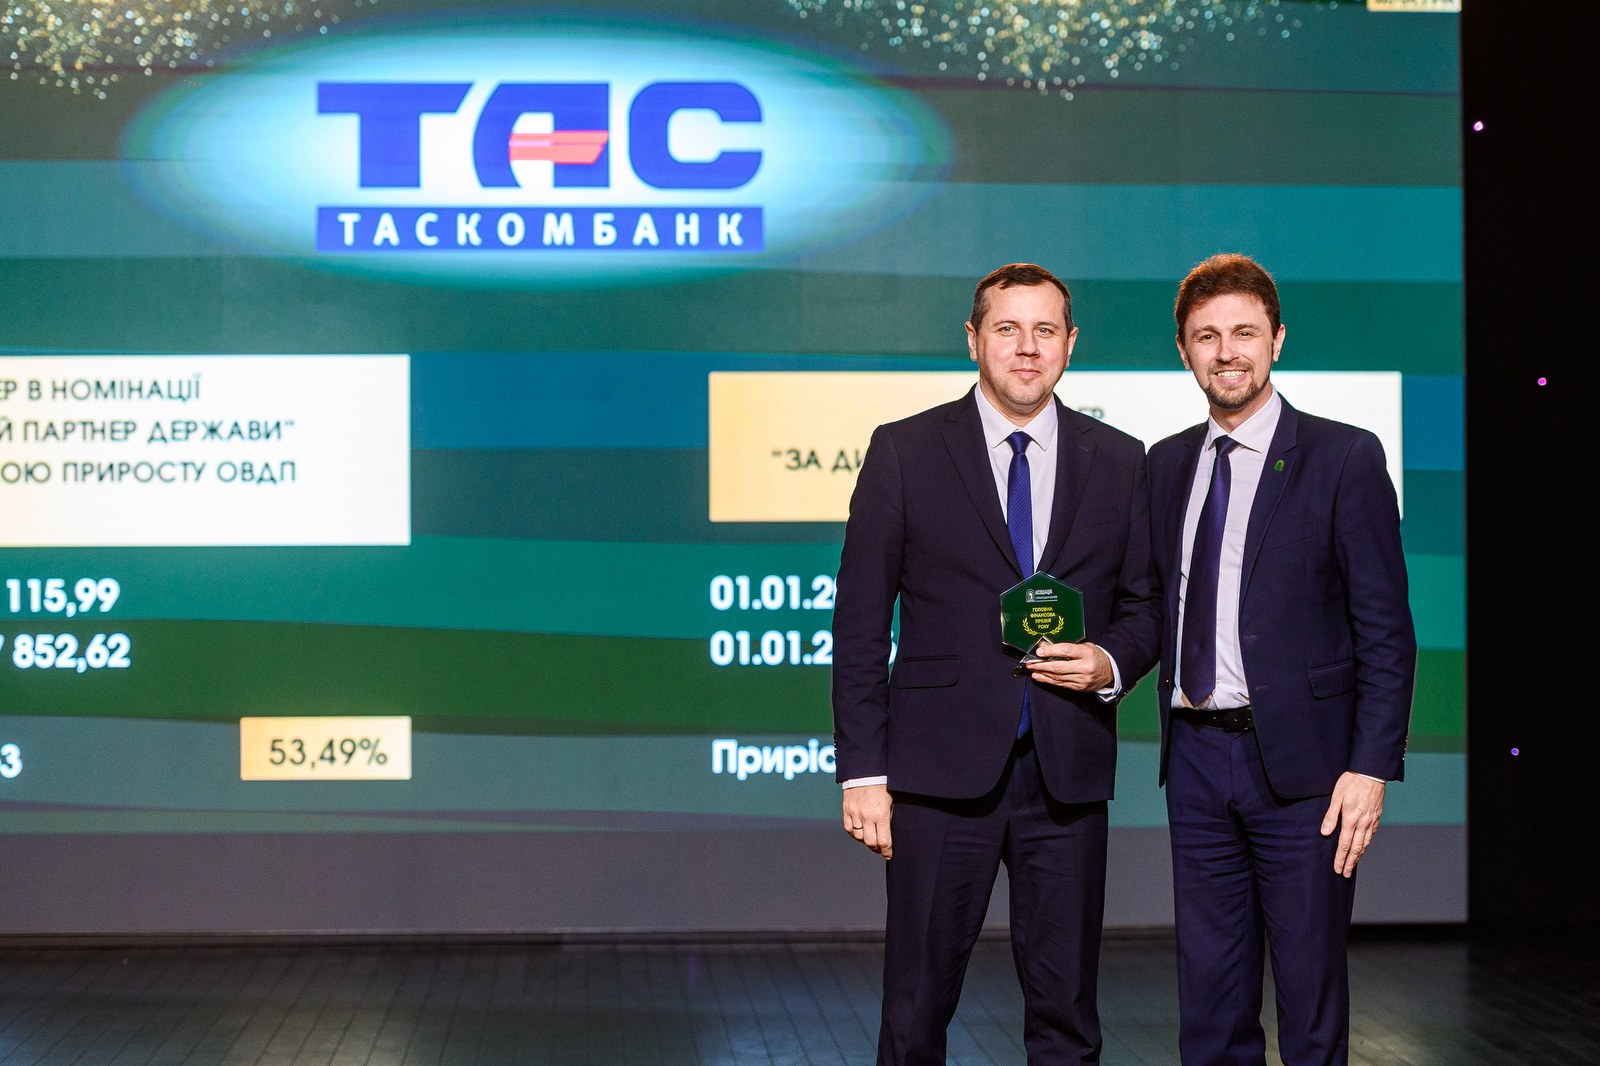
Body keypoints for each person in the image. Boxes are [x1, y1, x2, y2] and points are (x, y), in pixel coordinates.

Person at [832, 263, 1161, 1064]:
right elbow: (861, 624)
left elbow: (1147, 607)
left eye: (1045, 330)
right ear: (973, 339)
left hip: (1067, 773)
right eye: (1007, 329)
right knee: (915, 1013)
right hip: (936, 779)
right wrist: (863, 773)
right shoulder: (905, 451)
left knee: (1068, 1018)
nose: (1027, 347)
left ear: (1070, 344)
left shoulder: (1121, 460)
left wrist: (1109, 661)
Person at [1147, 254, 1415, 1065]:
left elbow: (1386, 631)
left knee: (1309, 1000)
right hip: (1195, 761)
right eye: (1206, 337)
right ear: (1184, 351)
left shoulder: (1344, 457)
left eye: (1244, 333)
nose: (1226, 352)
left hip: (1310, 776)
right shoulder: (1164, 464)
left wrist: (1371, 768)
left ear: (1277, 340)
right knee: (1210, 1002)